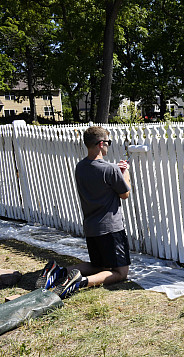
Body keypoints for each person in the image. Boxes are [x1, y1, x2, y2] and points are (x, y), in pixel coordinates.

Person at [35, 126, 132, 299]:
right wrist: (125, 173)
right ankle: (78, 282)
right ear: (101, 144)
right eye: (108, 143)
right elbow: (125, 194)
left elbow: (100, 178)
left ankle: (59, 271)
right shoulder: (110, 169)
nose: (108, 146)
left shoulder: (80, 167)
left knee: (98, 265)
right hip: (110, 229)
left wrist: (116, 171)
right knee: (120, 272)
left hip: (91, 228)